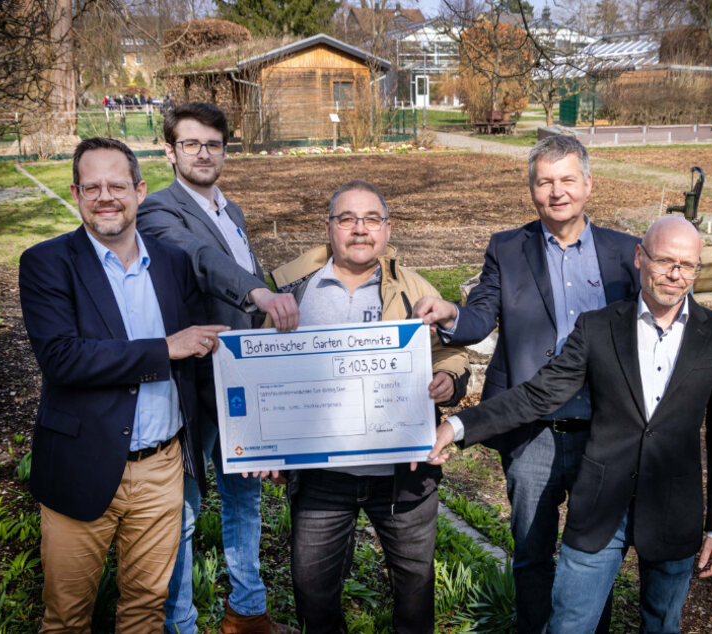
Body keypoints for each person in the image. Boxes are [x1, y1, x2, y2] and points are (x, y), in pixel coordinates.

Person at [428, 216, 712, 634]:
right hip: (599, 507)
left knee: (662, 625)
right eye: (665, 260)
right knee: (570, 624)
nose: (675, 274)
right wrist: (456, 426)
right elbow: (538, 393)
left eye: (687, 265)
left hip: (673, 507)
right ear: (639, 257)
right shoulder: (599, 328)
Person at [413, 134, 640, 632]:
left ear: (587, 183)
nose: (556, 192)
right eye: (544, 182)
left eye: (566, 180)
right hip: (530, 427)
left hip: (604, 430)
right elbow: (479, 317)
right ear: (532, 189)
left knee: (593, 555)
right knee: (531, 551)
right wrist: (450, 312)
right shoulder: (508, 248)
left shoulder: (627, 253)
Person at [19, 137, 227, 632]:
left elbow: (198, 355)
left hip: (161, 471)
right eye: (92, 187)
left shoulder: (172, 263)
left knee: (145, 612)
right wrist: (165, 347)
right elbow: (63, 358)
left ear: (139, 190)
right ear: (76, 193)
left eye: (117, 185)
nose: (105, 197)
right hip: (82, 465)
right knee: (67, 617)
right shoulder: (48, 263)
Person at [267, 179, 470, 633]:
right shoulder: (295, 293)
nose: (360, 229)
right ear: (329, 228)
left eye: (371, 219)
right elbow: (268, 375)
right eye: (347, 219)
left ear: (387, 228)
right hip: (322, 478)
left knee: (414, 590)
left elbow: (451, 352)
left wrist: (448, 379)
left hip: (403, 475)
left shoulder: (414, 288)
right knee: (313, 592)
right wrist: (270, 447)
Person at [137, 102, 298, 634]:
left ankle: (247, 613)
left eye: (213, 144)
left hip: (242, 379)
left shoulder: (233, 210)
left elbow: (246, 275)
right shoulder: (157, 210)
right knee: (181, 511)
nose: (203, 153)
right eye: (191, 143)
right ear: (170, 151)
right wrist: (256, 290)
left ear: (226, 150)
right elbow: (200, 261)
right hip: (193, 382)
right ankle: (179, 623)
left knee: (245, 497)